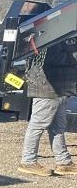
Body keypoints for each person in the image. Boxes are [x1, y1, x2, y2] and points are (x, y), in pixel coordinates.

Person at [17, 37, 77, 177]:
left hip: (62, 88)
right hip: (48, 87)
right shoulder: (54, 34)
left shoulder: (65, 32)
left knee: (58, 126)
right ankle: (28, 161)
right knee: (38, 124)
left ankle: (64, 162)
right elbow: (53, 57)